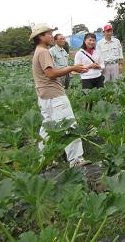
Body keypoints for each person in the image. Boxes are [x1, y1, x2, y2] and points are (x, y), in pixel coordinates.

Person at [30, 23, 89, 167]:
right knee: (69, 125)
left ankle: (43, 159)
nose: (51, 36)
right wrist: (72, 68)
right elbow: (50, 73)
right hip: (54, 95)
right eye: (48, 34)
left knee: (47, 127)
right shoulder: (44, 52)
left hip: (44, 96)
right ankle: (76, 160)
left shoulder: (39, 51)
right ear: (40, 37)